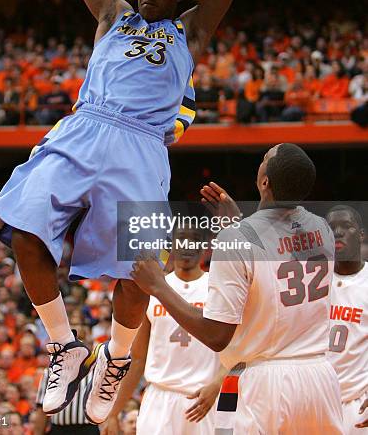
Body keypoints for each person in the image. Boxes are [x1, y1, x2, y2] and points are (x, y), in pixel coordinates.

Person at [0, 0, 244, 427]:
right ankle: (64, 346)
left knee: (139, 272)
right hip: (83, 129)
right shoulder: (111, 15)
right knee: (24, 229)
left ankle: (117, 358)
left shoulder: (189, 31)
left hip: (141, 149)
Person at [131, 143, 344, 434]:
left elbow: (217, 335)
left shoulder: (236, 240)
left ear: (264, 181)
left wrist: (158, 286)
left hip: (268, 382)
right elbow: (275, 240)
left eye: (265, 158)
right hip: (321, 377)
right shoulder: (322, 229)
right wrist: (235, 226)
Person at [103, 227, 225, 435]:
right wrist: (113, 412)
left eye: (194, 239)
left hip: (204, 399)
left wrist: (217, 385)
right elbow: (138, 359)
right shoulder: (152, 289)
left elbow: (235, 350)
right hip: (159, 398)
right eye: (181, 240)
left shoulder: (217, 287)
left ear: (205, 247)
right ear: (172, 246)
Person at [327, 205, 368, 433]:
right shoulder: (312, 281)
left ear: (361, 234)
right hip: (315, 398)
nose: (338, 232)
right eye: (331, 228)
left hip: (358, 401)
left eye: (347, 226)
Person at [34, 371, 100, 435]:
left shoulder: (97, 368)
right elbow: (41, 409)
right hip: (59, 429)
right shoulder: (51, 370)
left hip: (88, 429)